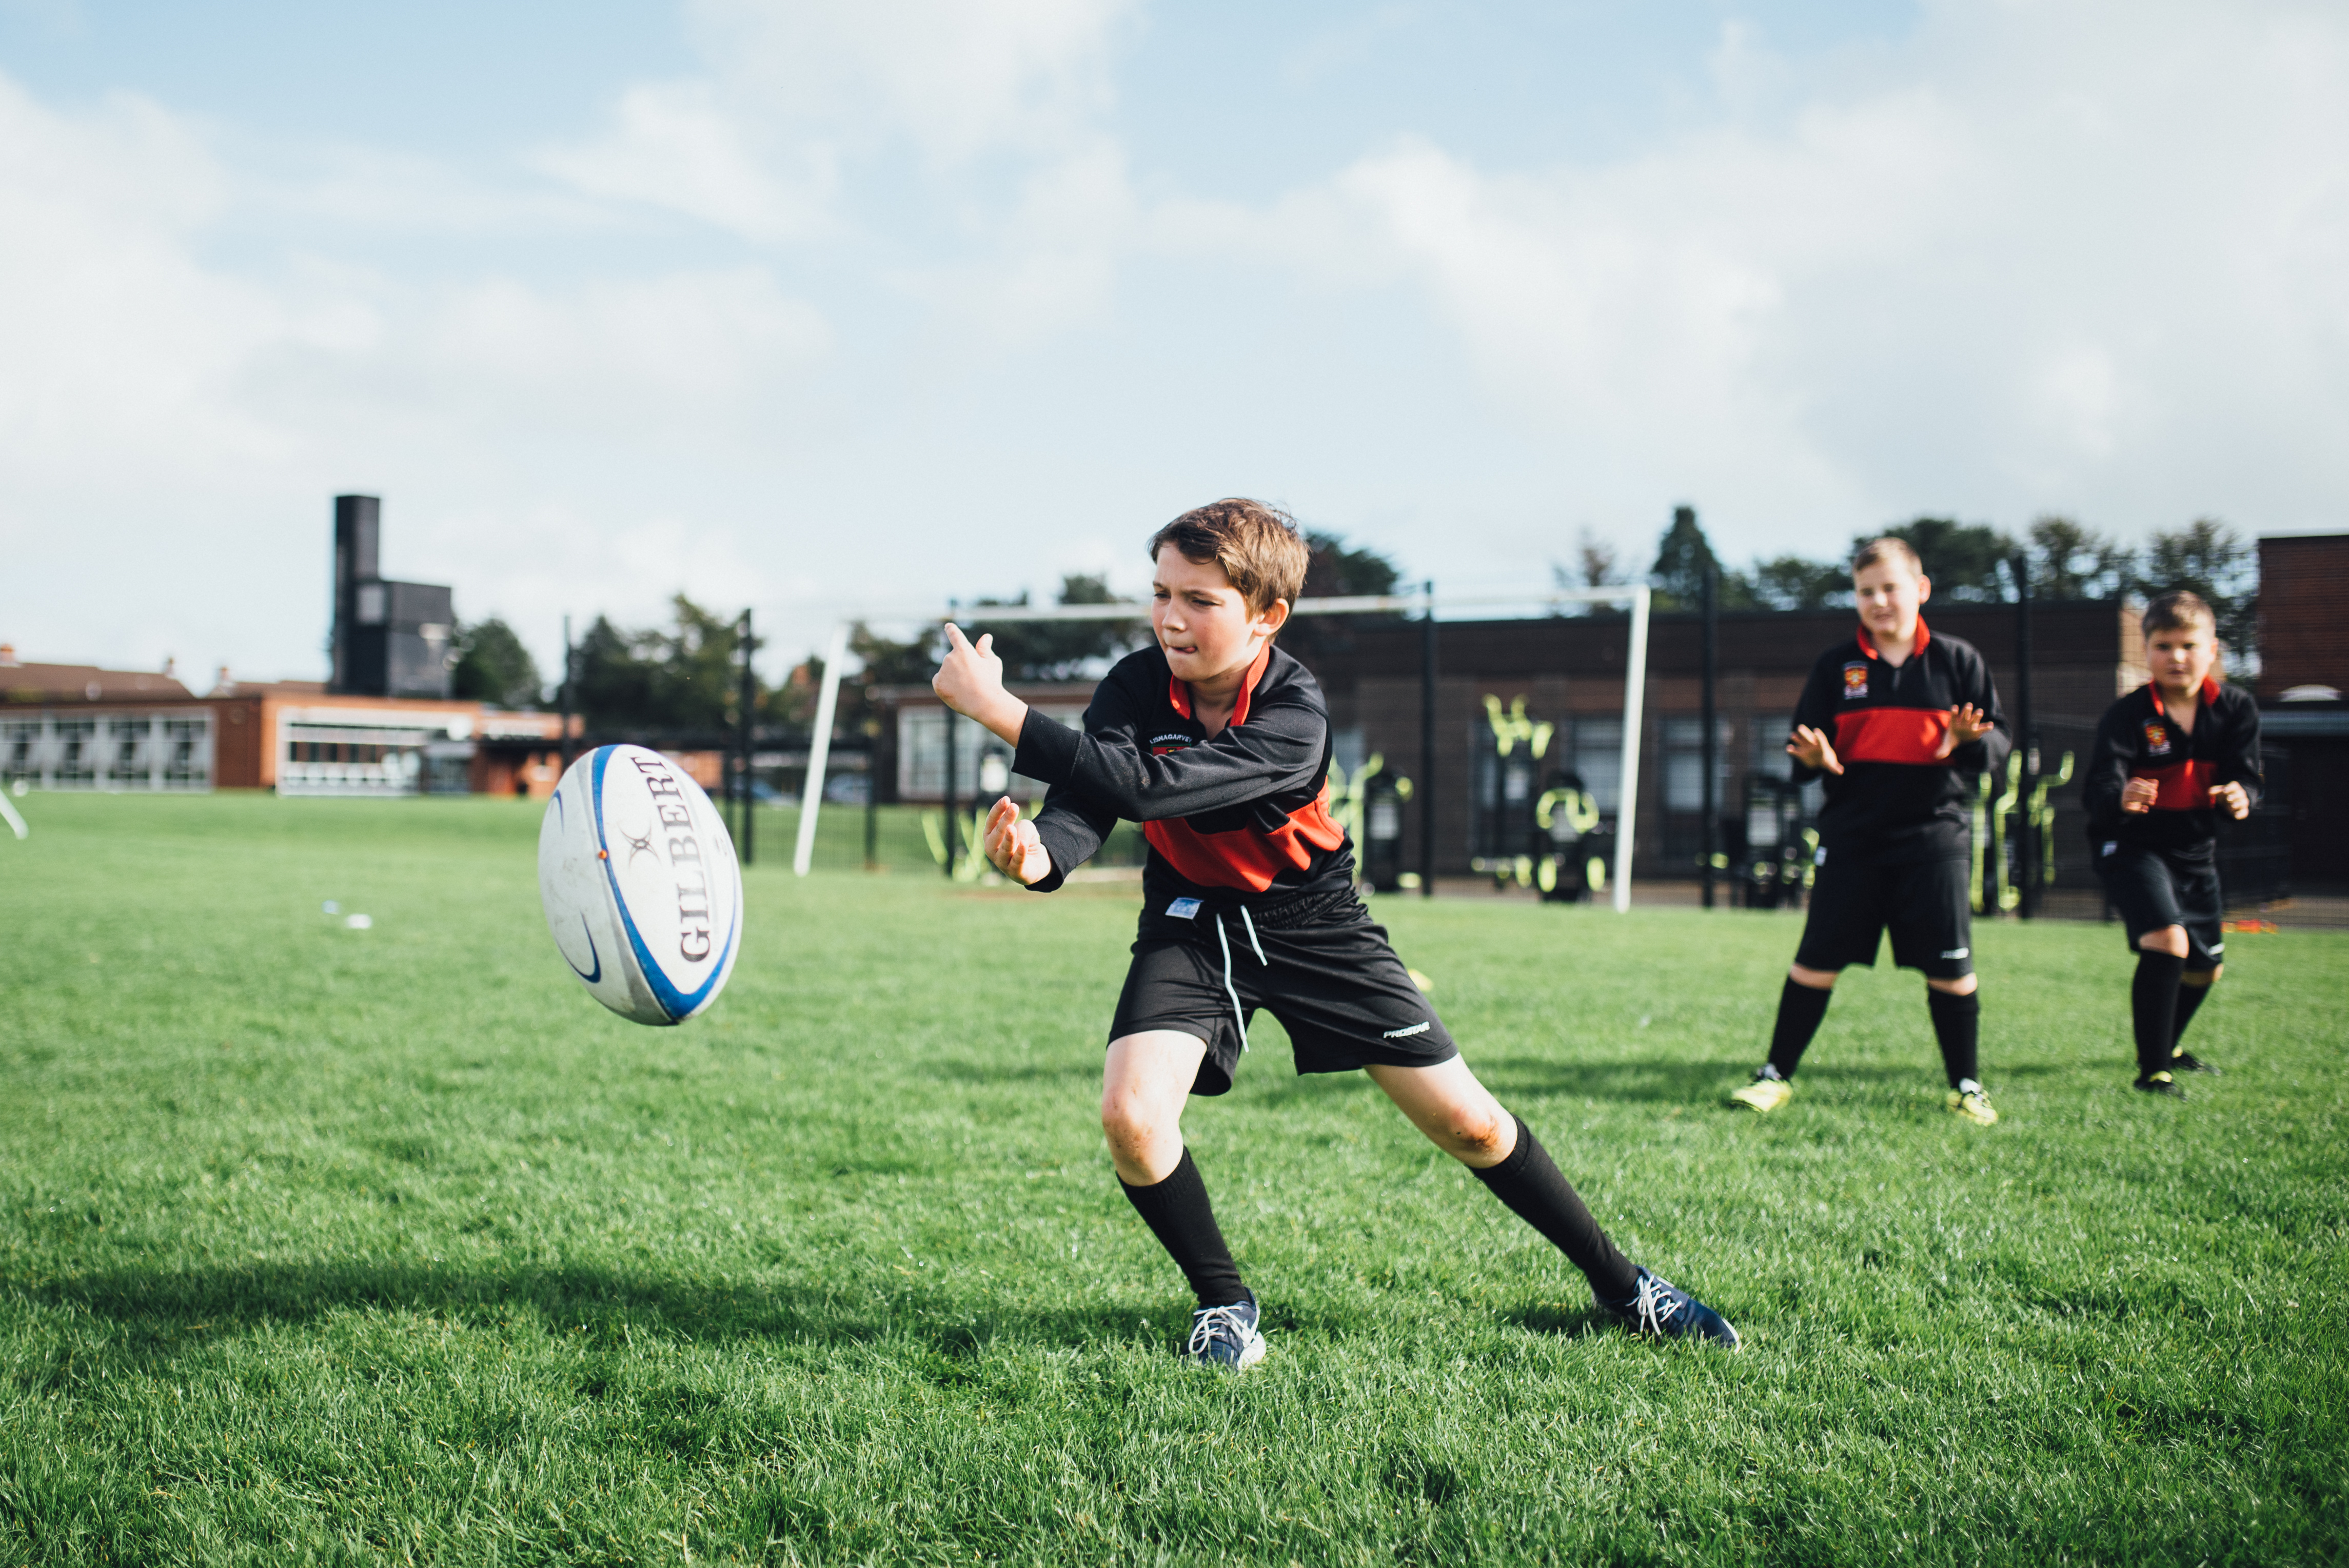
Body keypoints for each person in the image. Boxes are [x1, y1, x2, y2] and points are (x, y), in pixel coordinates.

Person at [932, 499, 1738, 1368]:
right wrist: (1037, 858)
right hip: (1190, 923)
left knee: (1470, 1125)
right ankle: (1225, 1307)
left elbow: (1149, 788)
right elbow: (1090, 806)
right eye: (1160, 591)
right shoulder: (1133, 683)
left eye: (1198, 600)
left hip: (1314, 922)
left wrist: (1004, 712)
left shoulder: (1294, 710)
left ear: (1265, 616)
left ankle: (1624, 1287)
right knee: (1130, 1115)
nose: (1169, 616)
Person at [1728, 537, 2011, 1124]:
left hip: (1934, 839)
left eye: (1890, 588)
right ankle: (1774, 1075)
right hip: (1852, 837)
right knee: (1814, 962)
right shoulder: (1836, 667)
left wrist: (1966, 742)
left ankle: (1967, 1085)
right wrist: (1813, 760)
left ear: (1921, 589)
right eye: (1865, 591)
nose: (1879, 601)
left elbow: (2000, 746)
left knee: (1951, 969)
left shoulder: (1958, 662)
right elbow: (1802, 750)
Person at [2082, 591, 2261, 1098]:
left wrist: (2240, 795)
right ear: (2146, 650)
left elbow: (2248, 779)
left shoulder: (2236, 709)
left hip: (2194, 850)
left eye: (2188, 645)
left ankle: (2168, 1047)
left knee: (2206, 969)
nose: (2176, 657)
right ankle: (2152, 1073)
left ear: (2212, 650)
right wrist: (2123, 796)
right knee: (2169, 942)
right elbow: (2097, 790)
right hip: (2131, 846)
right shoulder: (2127, 715)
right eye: (2163, 645)